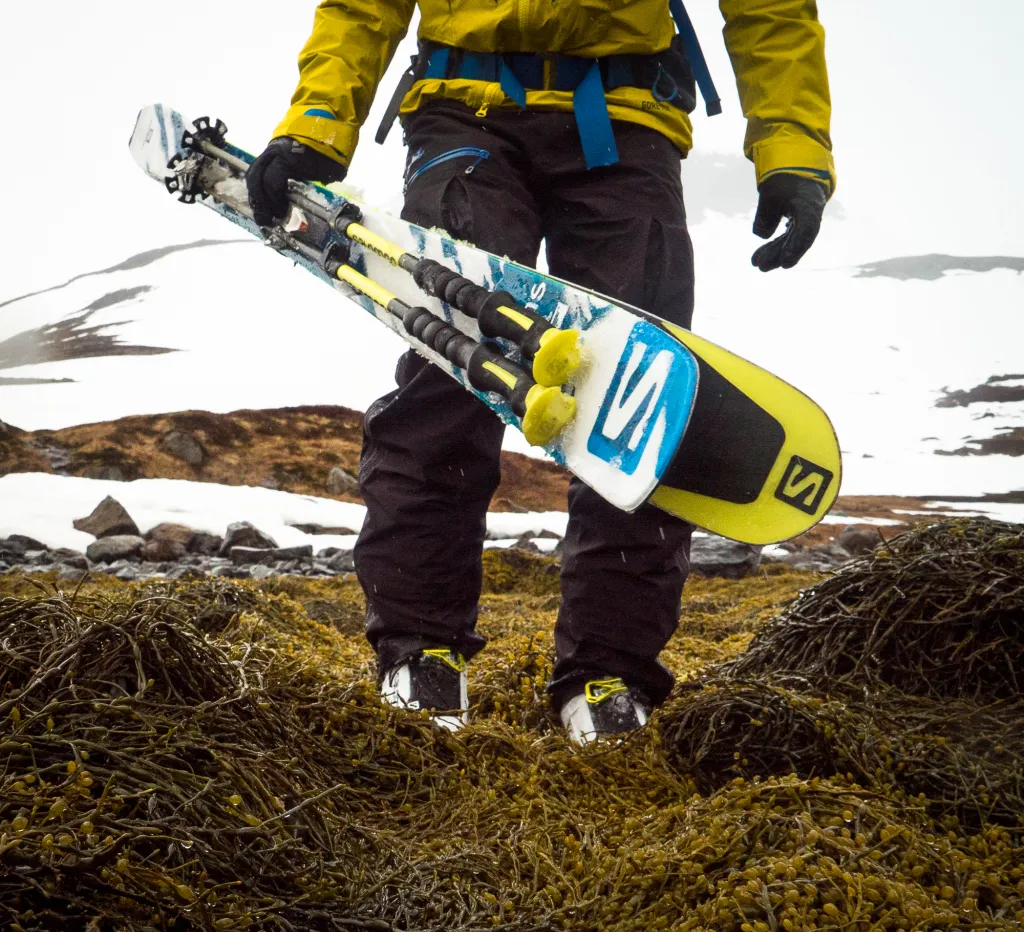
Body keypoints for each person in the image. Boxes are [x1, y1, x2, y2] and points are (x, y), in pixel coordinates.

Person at [246, 0, 834, 743]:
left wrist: (793, 150)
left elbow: (771, 9)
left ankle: (607, 673)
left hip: (631, 119)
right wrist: (316, 124)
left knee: (642, 398)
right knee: (449, 376)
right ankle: (420, 649)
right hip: (462, 111)